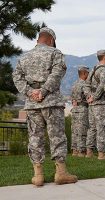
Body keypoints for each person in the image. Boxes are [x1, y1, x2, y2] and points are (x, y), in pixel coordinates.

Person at [12, 27, 77, 186]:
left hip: (32, 104)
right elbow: (56, 74)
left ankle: (38, 176)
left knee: (35, 137)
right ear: (51, 40)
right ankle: (61, 173)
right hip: (51, 102)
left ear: (38, 39)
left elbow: (17, 77)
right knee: (57, 136)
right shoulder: (56, 53)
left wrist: (30, 92)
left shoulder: (24, 57)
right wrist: (44, 90)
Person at [84, 50, 105, 159]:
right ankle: (101, 153)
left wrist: (89, 97)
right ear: (104, 57)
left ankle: (89, 152)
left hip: (91, 104)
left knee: (92, 128)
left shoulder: (93, 70)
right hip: (101, 104)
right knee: (102, 128)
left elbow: (86, 85)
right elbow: (102, 86)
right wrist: (94, 97)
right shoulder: (104, 71)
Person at [71, 66, 89, 157]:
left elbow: (72, 98)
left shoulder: (74, 84)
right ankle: (81, 151)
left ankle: (74, 150)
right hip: (82, 108)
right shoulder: (84, 84)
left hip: (74, 110)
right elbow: (88, 96)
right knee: (82, 130)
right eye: (88, 73)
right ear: (84, 73)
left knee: (75, 131)